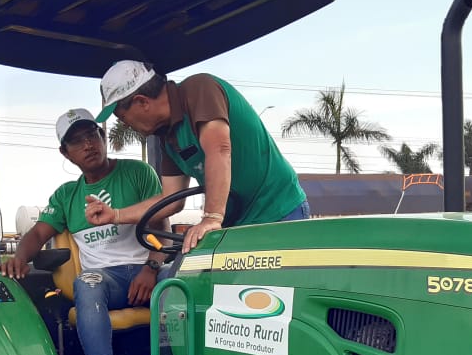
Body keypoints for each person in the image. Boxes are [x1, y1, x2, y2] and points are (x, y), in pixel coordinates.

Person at [0, 108, 165, 355]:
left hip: (149, 270)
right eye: (77, 141)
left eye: (92, 135)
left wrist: (153, 268)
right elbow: (36, 234)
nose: (88, 144)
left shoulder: (138, 174)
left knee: (199, 278)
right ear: (66, 153)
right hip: (107, 281)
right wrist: (20, 257)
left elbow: (163, 227)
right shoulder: (66, 196)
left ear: (102, 137)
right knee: (86, 284)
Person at [85, 60, 310, 254]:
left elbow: (219, 149)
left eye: (122, 116)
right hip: (237, 225)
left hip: (279, 212)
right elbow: (171, 199)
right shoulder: (168, 136)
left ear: (142, 102)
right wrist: (114, 215)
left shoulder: (199, 89)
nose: (123, 124)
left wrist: (211, 217)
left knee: (279, 298)